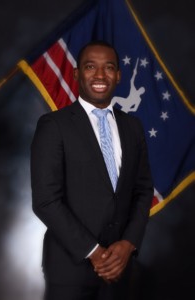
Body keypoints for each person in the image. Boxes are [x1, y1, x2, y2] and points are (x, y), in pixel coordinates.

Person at [31, 40, 154, 300]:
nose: (100, 75)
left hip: (120, 268)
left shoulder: (133, 127)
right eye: (90, 67)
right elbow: (45, 201)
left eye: (108, 67)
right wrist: (95, 252)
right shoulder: (54, 125)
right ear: (76, 74)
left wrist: (128, 244)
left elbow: (143, 191)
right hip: (69, 268)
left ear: (118, 75)